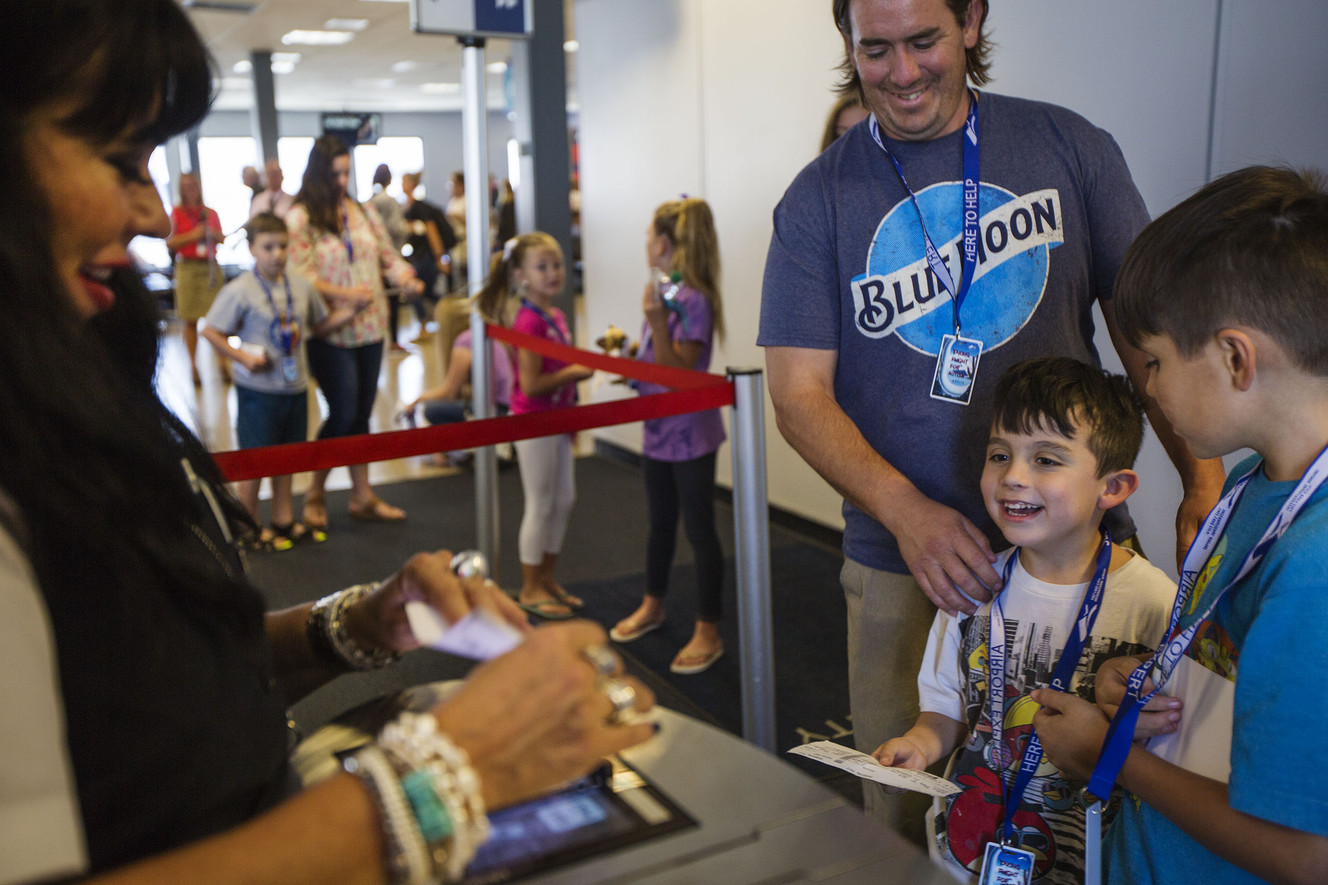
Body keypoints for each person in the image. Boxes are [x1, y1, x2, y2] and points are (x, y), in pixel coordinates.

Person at [0, 2, 657, 883]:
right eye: (120, 160)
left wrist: (347, 624)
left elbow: (133, 680)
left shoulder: (61, 387)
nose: (155, 216)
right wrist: (442, 778)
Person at [756, 0, 1227, 838]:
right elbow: (798, 396)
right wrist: (909, 515)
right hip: (909, 567)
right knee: (908, 811)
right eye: (876, 49)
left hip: (1085, 556)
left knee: (1110, 800)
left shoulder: (1070, 148)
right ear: (847, 43)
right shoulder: (816, 200)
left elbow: (1150, 336)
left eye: (925, 41)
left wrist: (1202, 478)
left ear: (971, 21)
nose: (902, 74)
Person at [1030, 166, 1328, 885]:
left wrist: (1108, 756)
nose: (1148, 388)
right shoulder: (1263, 480)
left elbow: (1306, 853)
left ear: (1234, 357)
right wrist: (1157, 682)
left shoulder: (1313, 565)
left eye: (1155, 361)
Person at [873, 357, 1176, 884]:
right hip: (970, 851)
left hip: (1095, 858)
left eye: (1046, 459)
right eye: (999, 454)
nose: (1013, 477)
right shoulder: (972, 585)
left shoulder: (1154, 604)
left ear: (1113, 488)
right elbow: (946, 711)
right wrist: (920, 745)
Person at [608, 198, 728, 675]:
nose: (644, 244)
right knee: (660, 523)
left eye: (646, 235)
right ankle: (653, 604)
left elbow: (680, 370)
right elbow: (657, 361)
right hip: (658, 427)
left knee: (699, 530)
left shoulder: (692, 298)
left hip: (691, 432)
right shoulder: (663, 291)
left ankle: (709, 629)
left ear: (662, 243)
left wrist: (656, 320)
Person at [286, 135, 425, 527]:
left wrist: (407, 278)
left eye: (347, 172)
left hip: (371, 326)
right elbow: (301, 275)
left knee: (362, 414)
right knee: (342, 411)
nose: (342, 181)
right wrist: (346, 295)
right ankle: (316, 492)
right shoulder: (301, 218)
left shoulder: (361, 211)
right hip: (330, 330)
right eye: (334, 174)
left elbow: (386, 256)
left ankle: (361, 496)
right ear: (317, 173)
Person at [201, 212, 357, 549]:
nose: (277, 254)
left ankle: (283, 519)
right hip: (258, 391)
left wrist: (348, 314)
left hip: (295, 386)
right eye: (268, 247)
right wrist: (242, 357)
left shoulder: (300, 285)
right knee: (255, 459)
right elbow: (210, 330)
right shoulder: (241, 290)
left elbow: (318, 326)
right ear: (253, 249)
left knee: (289, 456)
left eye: (283, 246)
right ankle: (249, 523)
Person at [483, 233, 593, 620]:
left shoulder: (556, 316)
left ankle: (546, 578)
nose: (553, 273)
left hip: (559, 420)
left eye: (557, 265)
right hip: (534, 421)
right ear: (521, 275)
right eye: (542, 267)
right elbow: (530, 385)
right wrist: (576, 373)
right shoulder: (529, 321)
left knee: (564, 499)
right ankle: (530, 586)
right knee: (541, 502)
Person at [400, 296, 516, 468]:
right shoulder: (485, 335)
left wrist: (417, 399)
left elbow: (449, 391)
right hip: (507, 410)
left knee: (432, 411)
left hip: (496, 412)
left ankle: (454, 449)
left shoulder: (465, 341)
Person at [166, 169, 225, 387]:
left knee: (219, 318)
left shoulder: (210, 213)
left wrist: (213, 235)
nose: (191, 189)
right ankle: (194, 366)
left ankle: (223, 363)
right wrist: (193, 235)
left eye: (194, 185)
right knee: (190, 318)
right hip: (188, 268)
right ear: (181, 189)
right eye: (186, 185)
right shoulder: (176, 214)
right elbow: (169, 242)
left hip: (209, 267)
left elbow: (222, 238)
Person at [400, 170, 457, 338]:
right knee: (425, 291)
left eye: (404, 182)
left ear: (411, 185)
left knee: (418, 290)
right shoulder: (409, 206)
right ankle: (438, 320)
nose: (402, 186)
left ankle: (443, 319)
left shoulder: (418, 207)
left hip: (426, 256)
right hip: (420, 255)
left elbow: (431, 231)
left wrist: (440, 258)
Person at [368, 163, 412, 354]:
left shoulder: (370, 201)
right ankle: (393, 340)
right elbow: (396, 228)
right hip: (390, 255)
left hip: (373, 259)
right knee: (392, 299)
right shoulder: (388, 201)